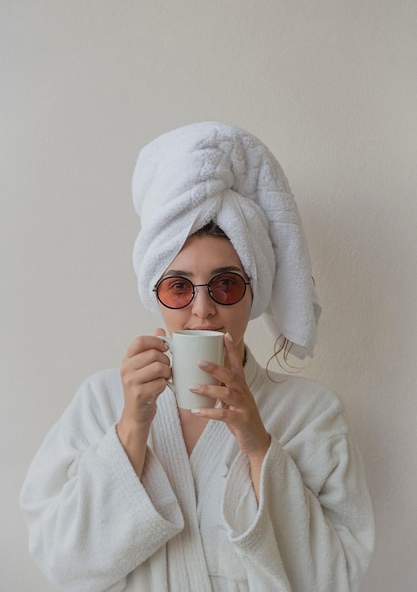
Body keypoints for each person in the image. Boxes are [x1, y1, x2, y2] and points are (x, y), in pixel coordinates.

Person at [20, 122, 374, 592]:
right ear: (157, 297)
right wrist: (131, 428)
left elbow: (336, 577)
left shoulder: (312, 414)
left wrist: (256, 443)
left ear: (255, 292)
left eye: (226, 284)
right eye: (179, 286)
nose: (203, 309)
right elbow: (60, 562)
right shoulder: (100, 401)